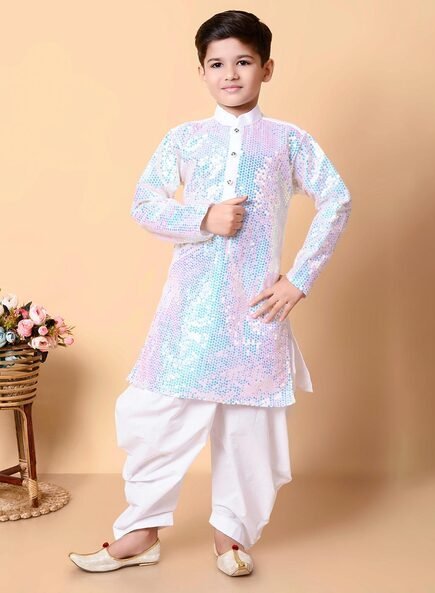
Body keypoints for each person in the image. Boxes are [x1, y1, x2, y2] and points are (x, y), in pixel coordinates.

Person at [68, 9, 352, 577]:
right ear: (201, 71)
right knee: (155, 415)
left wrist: (299, 279)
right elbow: (145, 203)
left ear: (267, 68)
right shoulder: (185, 139)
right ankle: (139, 533)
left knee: (250, 429)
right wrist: (203, 216)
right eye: (217, 64)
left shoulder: (289, 141)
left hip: (255, 310)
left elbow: (337, 200)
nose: (230, 74)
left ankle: (231, 539)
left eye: (243, 62)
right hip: (189, 310)